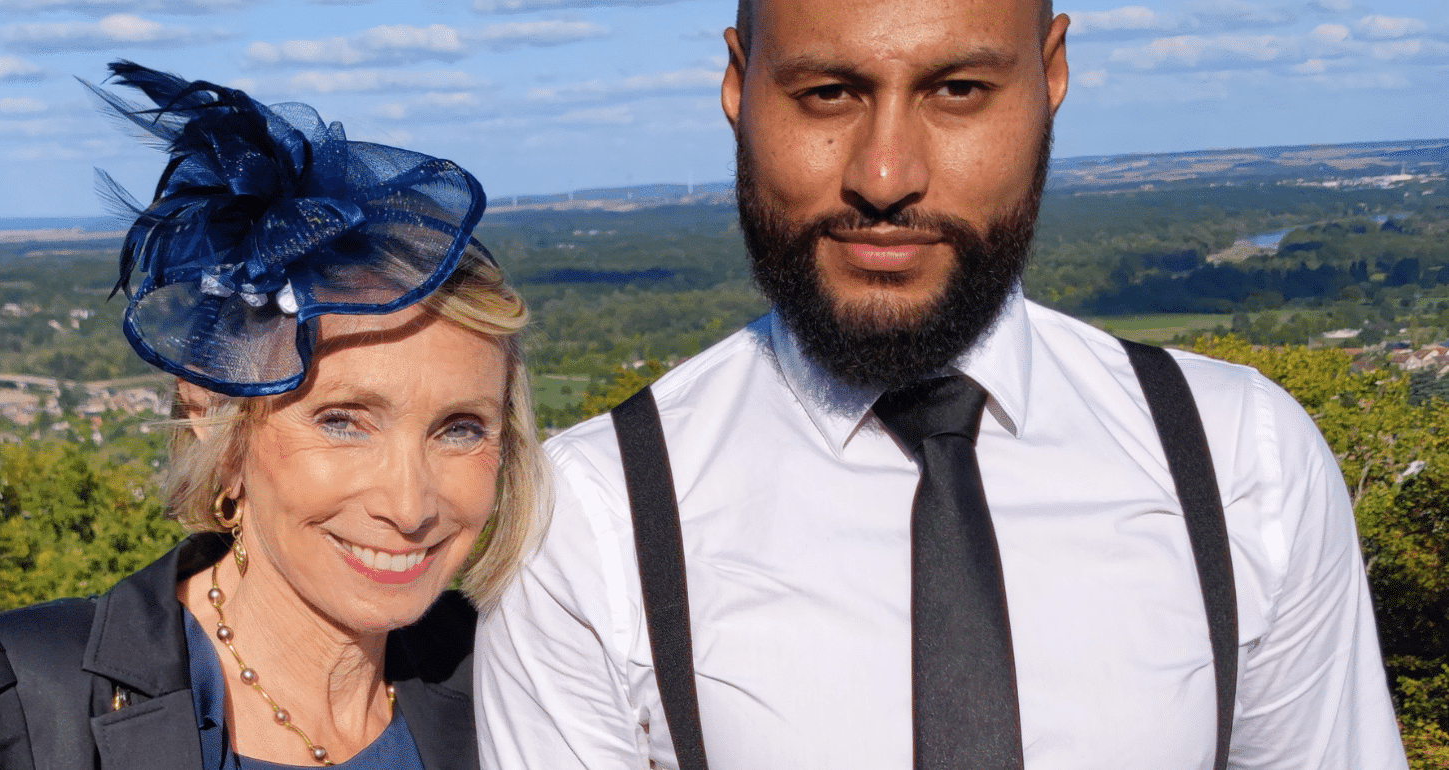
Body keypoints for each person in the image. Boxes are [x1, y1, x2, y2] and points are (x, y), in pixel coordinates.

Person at [474, 0, 1407, 768]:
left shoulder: (1243, 460)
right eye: (828, 92)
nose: (885, 175)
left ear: (1051, 76)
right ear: (737, 85)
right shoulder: (591, 521)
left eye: (958, 90)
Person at [0, 61, 545, 770]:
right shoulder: (14, 705)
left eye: (460, 429)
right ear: (213, 413)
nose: (410, 504)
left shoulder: (519, 684)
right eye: (343, 421)